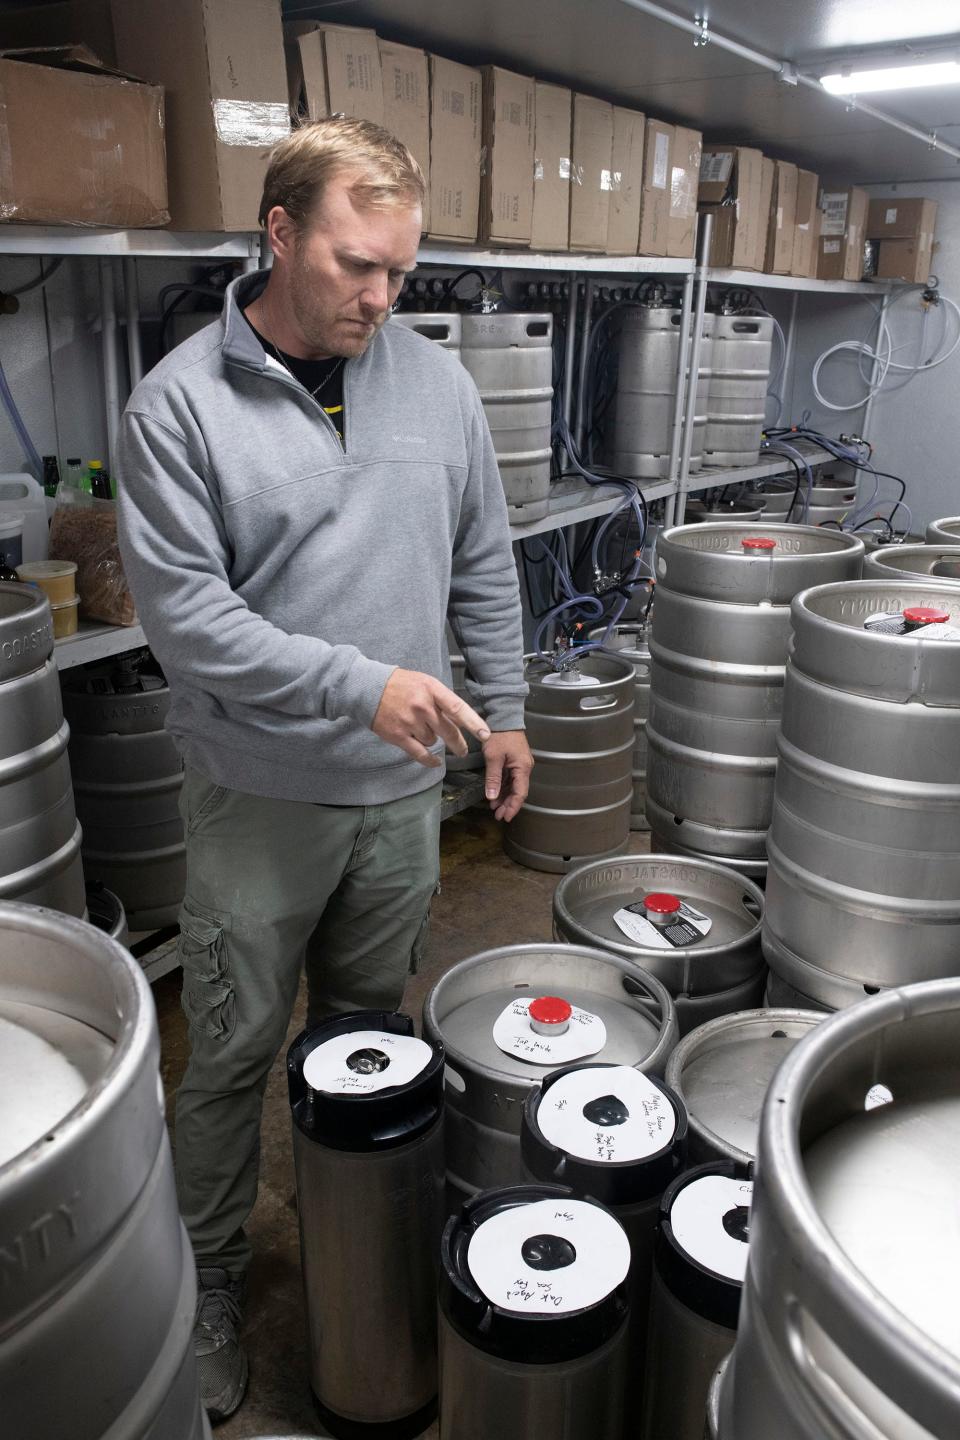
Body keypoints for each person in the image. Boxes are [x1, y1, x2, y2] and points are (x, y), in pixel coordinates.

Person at [117, 116, 532, 1423]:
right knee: (233, 1057)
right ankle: (211, 1280)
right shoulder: (178, 405)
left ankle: (358, 1244)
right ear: (280, 232)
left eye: (402, 271)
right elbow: (192, 623)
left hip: (398, 808)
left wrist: (505, 707)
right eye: (357, 265)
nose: (381, 298)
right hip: (258, 803)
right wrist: (365, 686)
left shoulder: (437, 385)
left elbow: (482, 556)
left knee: (366, 1040)